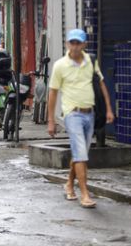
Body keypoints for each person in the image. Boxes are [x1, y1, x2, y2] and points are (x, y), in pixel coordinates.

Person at [47, 29, 114, 209]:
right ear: (67, 44)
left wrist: (108, 109)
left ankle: (69, 183)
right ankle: (84, 193)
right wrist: (51, 120)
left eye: (78, 43)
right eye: (72, 43)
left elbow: (101, 85)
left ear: (84, 44)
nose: (75, 46)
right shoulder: (60, 65)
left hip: (89, 113)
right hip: (72, 113)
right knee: (81, 154)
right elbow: (52, 93)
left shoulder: (91, 62)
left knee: (80, 153)